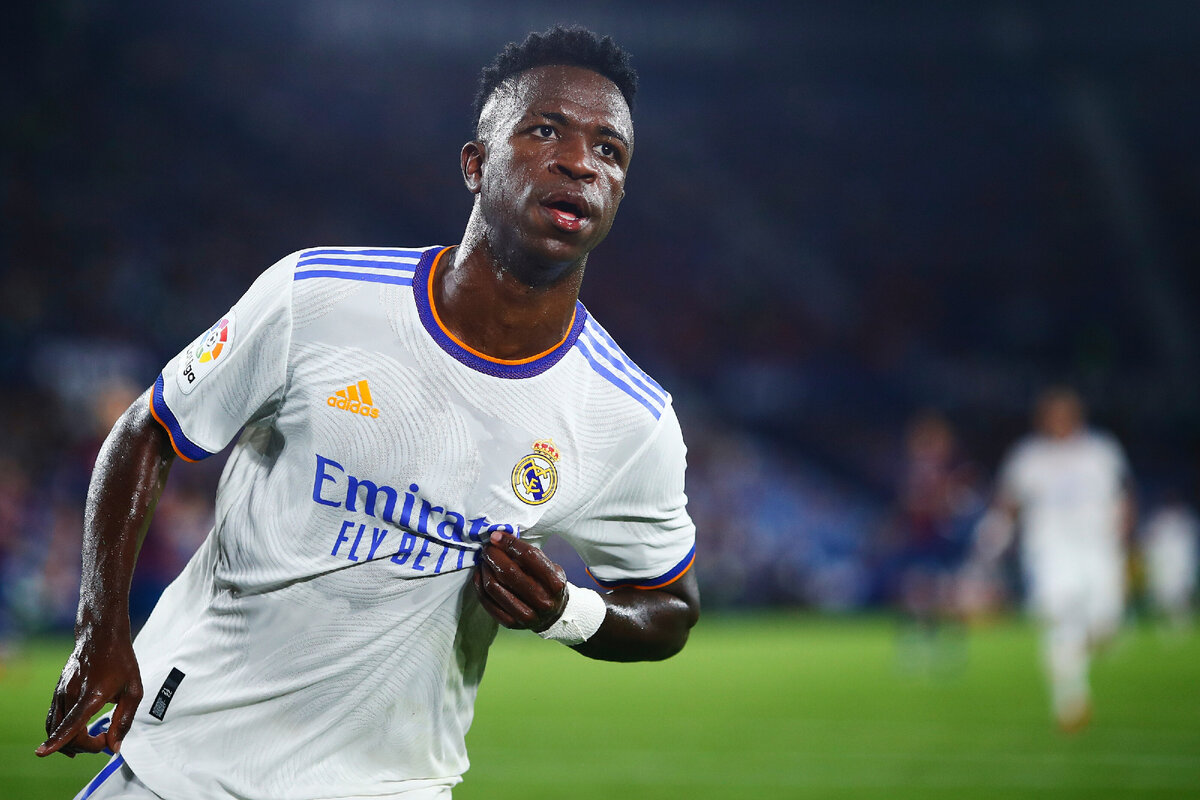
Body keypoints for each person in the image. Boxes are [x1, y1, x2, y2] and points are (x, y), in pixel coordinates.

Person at [36, 26, 700, 800]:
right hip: (182, 757)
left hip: (393, 784)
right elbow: (149, 429)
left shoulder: (629, 417)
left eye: (609, 150)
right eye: (546, 131)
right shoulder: (317, 297)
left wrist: (568, 613)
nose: (580, 162)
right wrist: (101, 630)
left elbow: (670, 607)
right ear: (475, 164)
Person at [974, 386, 1134, 733]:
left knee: (1103, 627)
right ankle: (1070, 699)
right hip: (1051, 551)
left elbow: (1123, 495)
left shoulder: (1101, 451)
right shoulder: (1028, 457)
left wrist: (1123, 535)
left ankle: (1084, 647)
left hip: (1098, 548)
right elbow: (1010, 502)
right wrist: (995, 535)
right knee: (1062, 618)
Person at [1139, 488, 1198, 630]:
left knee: (1181, 592)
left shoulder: (1186, 517)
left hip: (1181, 562)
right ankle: (1164, 620)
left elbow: (1191, 539)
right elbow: (1149, 538)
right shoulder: (1160, 518)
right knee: (1165, 592)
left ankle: (1181, 619)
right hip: (1166, 562)